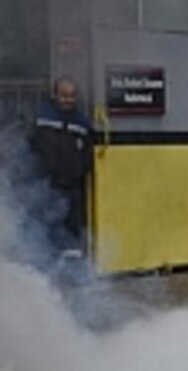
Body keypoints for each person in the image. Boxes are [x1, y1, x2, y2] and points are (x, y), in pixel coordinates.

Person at [29, 76, 93, 258]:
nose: (68, 100)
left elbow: (88, 152)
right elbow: (30, 147)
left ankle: (71, 277)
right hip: (46, 186)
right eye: (64, 95)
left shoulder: (82, 123)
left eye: (72, 96)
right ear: (54, 95)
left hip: (73, 189)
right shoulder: (41, 118)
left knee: (72, 237)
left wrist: (80, 172)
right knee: (45, 232)